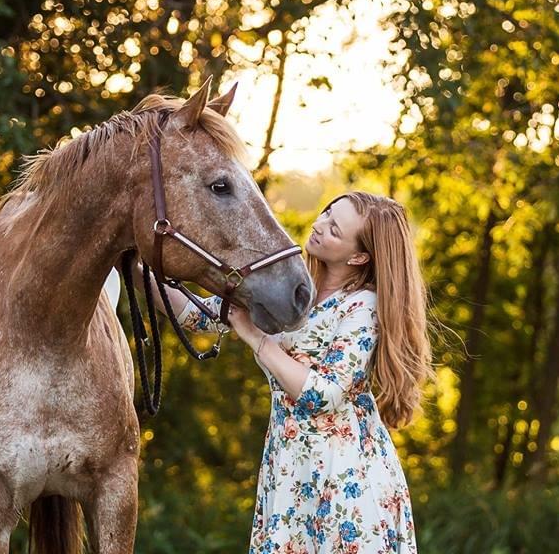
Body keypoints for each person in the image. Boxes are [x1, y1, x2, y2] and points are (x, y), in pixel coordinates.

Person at [133, 191, 434, 553]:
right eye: (326, 213)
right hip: (292, 469)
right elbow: (201, 316)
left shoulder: (361, 306)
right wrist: (134, 268)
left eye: (335, 229)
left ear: (358, 256)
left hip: (343, 476)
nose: (320, 225)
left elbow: (321, 395)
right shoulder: (297, 292)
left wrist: (256, 338)